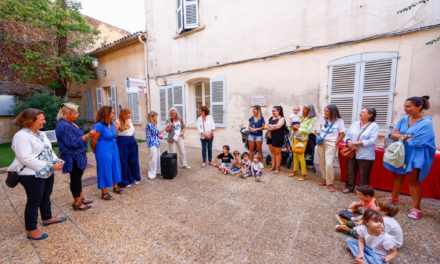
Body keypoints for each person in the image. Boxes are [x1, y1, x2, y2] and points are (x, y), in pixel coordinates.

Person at [8, 108, 67, 240]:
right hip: (30, 175)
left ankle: (47, 218)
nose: (44, 122)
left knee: (45, 196)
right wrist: (51, 165)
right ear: (30, 121)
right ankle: (31, 229)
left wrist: (56, 160)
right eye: (41, 120)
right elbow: (25, 158)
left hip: (47, 172)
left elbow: (48, 150)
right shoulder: (21, 136)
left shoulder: (41, 134)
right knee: (34, 201)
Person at [384, 96, 435, 220]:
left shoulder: (426, 123)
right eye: (404, 106)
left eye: (408, 106)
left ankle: (417, 208)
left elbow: (417, 141)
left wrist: (399, 136)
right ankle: (394, 198)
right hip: (402, 151)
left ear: (419, 107)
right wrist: (405, 136)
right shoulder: (403, 119)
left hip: (416, 153)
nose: (405, 109)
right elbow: (392, 134)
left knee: (412, 179)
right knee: (397, 174)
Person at [55, 103, 94, 211]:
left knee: (77, 178)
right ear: (66, 114)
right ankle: (77, 202)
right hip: (73, 157)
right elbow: (73, 143)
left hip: (76, 156)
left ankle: (81, 198)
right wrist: (88, 135)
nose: (78, 115)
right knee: (75, 179)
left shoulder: (69, 123)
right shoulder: (65, 125)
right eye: (75, 113)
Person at [336, 201, 403, 250]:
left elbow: (377, 235)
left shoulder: (385, 222)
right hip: (381, 235)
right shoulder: (383, 217)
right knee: (365, 226)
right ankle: (348, 223)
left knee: (363, 235)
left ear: (384, 212)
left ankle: (348, 230)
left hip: (391, 244)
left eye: (378, 207)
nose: (376, 207)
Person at [342, 107, 379, 194]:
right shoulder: (355, 124)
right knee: (350, 170)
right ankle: (349, 187)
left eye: (363, 112)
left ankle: (363, 191)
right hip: (352, 151)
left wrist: (358, 143)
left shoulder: (374, 126)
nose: (360, 114)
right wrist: (349, 142)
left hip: (365, 153)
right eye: (361, 112)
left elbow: (372, 140)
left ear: (370, 115)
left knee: (364, 173)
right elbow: (346, 135)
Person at [90, 106, 122, 200]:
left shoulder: (111, 123)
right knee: (104, 169)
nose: (114, 114)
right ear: (106, 114)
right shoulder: (99, 125)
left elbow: (113, 134)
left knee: (115, 166)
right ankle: (104, 192)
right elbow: (93, 141)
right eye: (112, 113)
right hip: (103, 150)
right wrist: (96, 151)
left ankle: (115, 186)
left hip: (113, 148)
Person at [317, 104, 345, 192]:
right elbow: (319, 129)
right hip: (321, 142)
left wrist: (336, 143)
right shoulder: (323, 119)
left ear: (332, 112)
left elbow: (342, 133)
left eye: (326, 111)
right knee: (322, 162)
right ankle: (324, 178)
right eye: (324, 111)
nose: (324, 112)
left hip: (331, 143)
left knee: (329, 163)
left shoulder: (339, 121)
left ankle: (331, 183)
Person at [289, 104, 317, 181]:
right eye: (303, 108)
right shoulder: (302, 117)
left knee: (301, 156)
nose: (303, 110)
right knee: (295, 155)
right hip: (296, 137)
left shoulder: (312, 119)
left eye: (305, 109)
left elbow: (308, 131)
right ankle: (295, 171)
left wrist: (298, 129)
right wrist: (294, 127)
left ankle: (304, 174)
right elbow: (296, 125)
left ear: (309, 110)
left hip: (302, 139)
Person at [115, 108, 141, 188]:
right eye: (127, 113)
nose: (129, 115)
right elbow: (115, 134)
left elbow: (132, 132)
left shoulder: (130, 120)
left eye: (130, 113)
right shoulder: (117, 121)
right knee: (124, 161)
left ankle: (134, 178)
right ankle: (125, 180)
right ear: (123, 114)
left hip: (132, 141)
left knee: (133, 160)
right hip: (122, 142)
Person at [146, 111, 169, 180]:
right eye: (156, 116)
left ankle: (157, 171)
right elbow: (158, 132)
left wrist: (160, 137)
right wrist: (166, 126)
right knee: (153, 159)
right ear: (152, 117)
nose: (157, 118)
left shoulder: (154, 125)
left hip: (156, 143)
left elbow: (155, 134)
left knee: (158, 158)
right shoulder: (149, 124)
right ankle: (151, 174)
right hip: (152, 144)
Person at [264, 106, 286, 174]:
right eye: (272, 111)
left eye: (274, 111)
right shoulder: (271, 118)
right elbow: (265, 126)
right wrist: (272, 127)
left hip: (278, 137)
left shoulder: (282, 119)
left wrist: (270, 126)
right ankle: (273, 167)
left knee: (277, 153)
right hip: (270, 137)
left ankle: (277, 168)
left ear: (278, 111)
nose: (272, 112)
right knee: (272, 153)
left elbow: (278, 126)